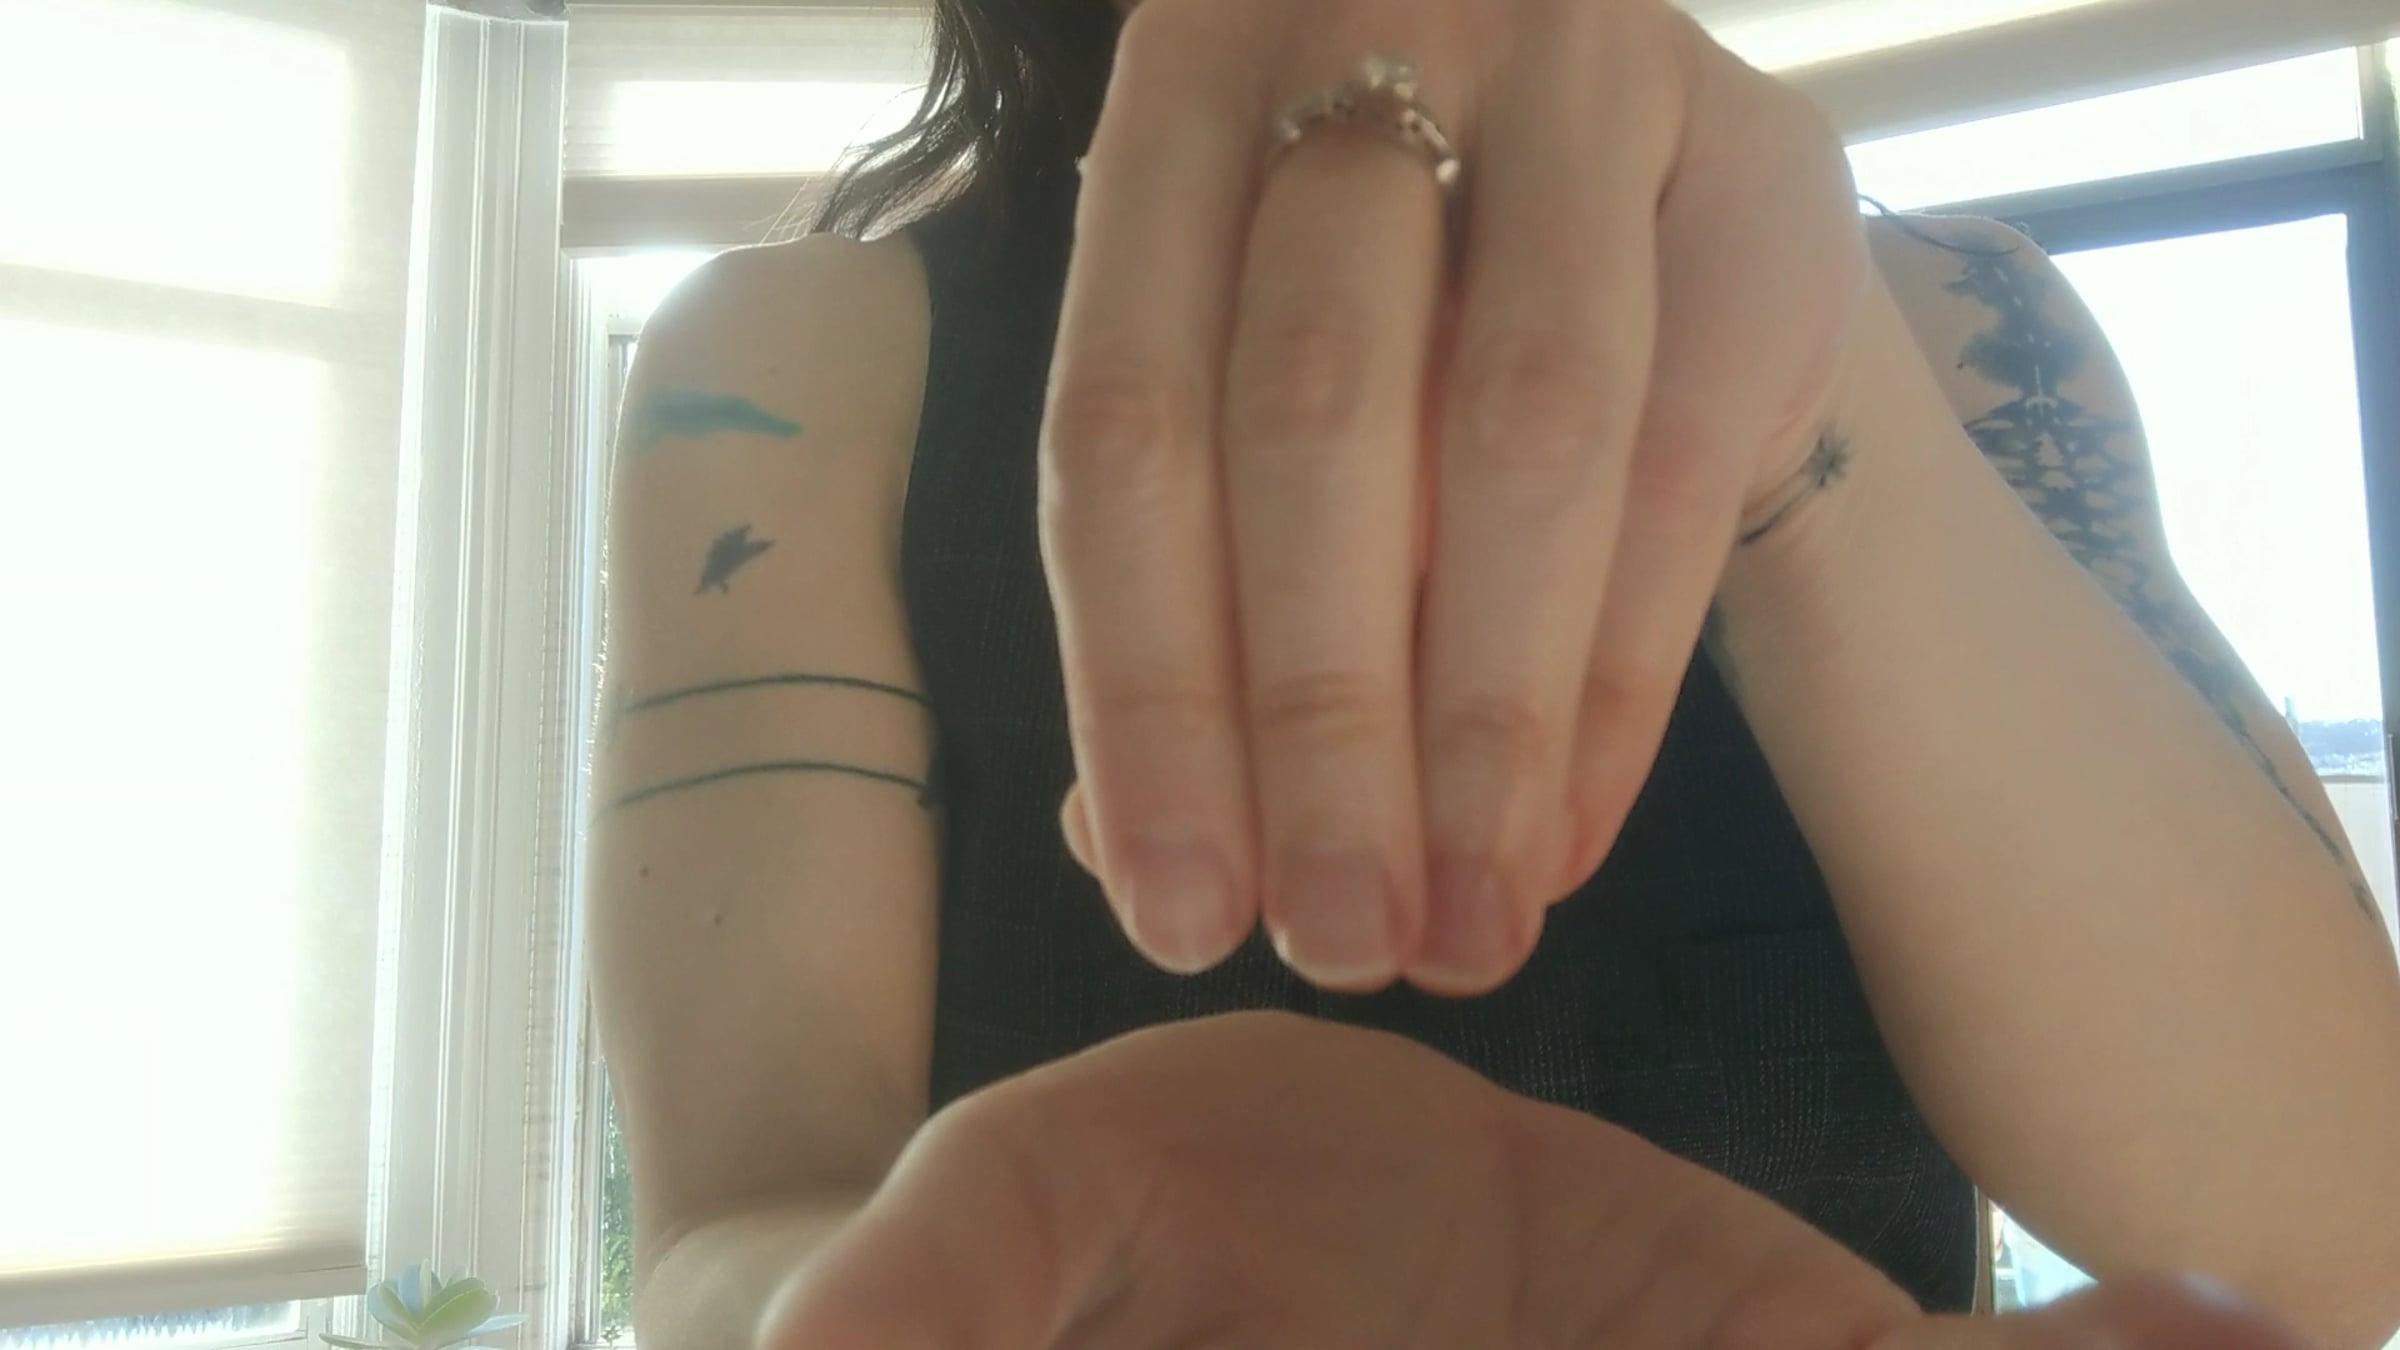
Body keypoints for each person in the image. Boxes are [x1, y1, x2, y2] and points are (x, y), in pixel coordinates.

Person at [584, 0, 2400, 1345]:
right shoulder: (791, 371)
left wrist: (1811, 440)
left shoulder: (1956, 323)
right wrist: (996, 1290)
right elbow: (726, 1237)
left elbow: (2328, 1223)